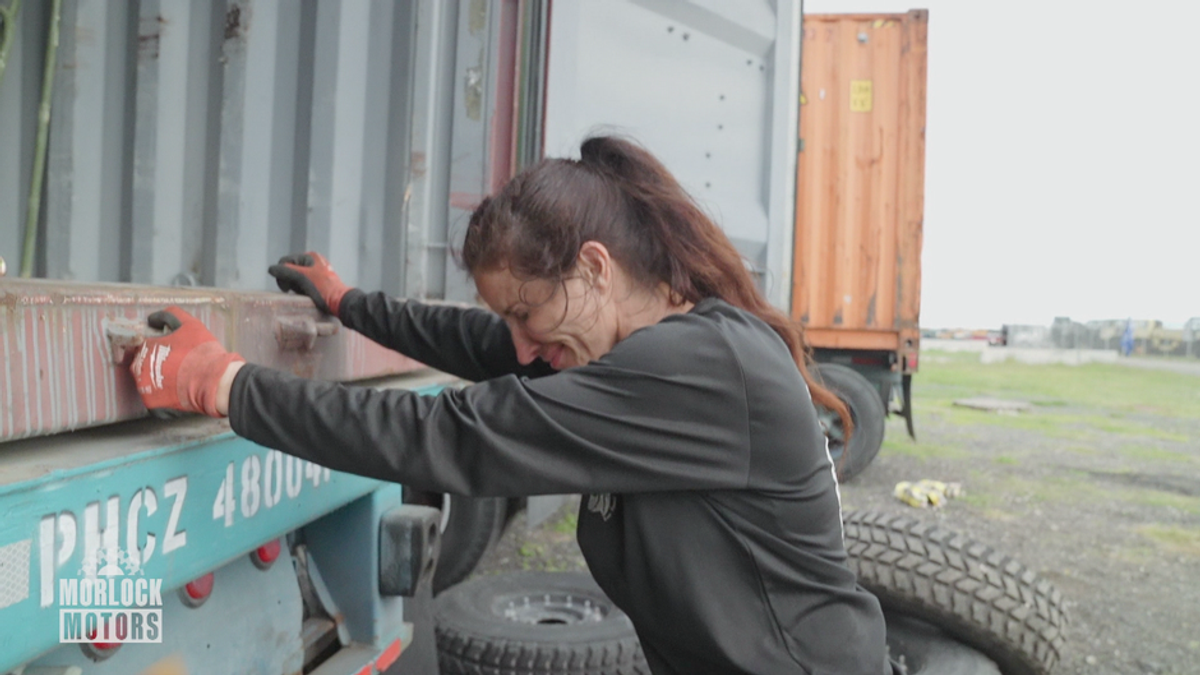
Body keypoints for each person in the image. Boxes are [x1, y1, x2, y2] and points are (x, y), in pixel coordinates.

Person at [130, 136, 895, 674]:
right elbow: (481, 342)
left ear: (595, 269)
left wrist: (222, 383)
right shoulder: (628, 347)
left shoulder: (695, 368)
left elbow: (450, 433)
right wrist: (351, 303)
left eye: (527, 314)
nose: (524, 347)